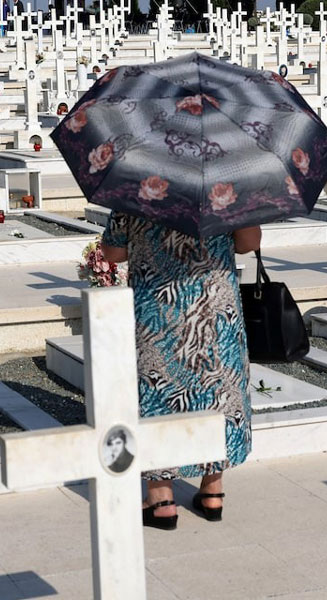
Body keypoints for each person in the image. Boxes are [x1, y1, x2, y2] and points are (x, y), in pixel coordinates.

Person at [102, 214, 261, 530]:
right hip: (215, 312)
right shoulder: (224, 186)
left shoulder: (135, 185)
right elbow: (248, 243)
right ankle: (213, 492)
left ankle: (162, 501)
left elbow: (113, 254)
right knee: (217, 394)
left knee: (159, 396)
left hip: (158, 313)